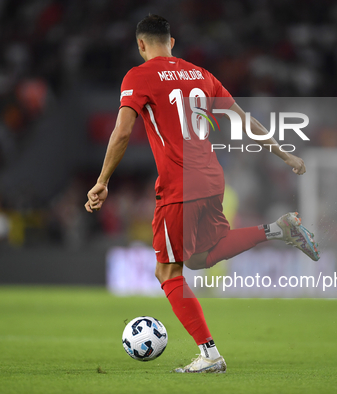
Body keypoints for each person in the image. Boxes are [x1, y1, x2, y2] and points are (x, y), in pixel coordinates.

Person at [85, 14, 319, 373]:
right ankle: (279, 229)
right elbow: (244, 120)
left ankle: (209, 354)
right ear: (172, 42)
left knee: (167, 272)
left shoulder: (138, 76)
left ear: (141, 45)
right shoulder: (201, 75)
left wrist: (102, 180)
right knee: (199, 258)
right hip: (211, 179)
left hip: (179, 187)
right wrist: (284, 152)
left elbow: (121, 132)